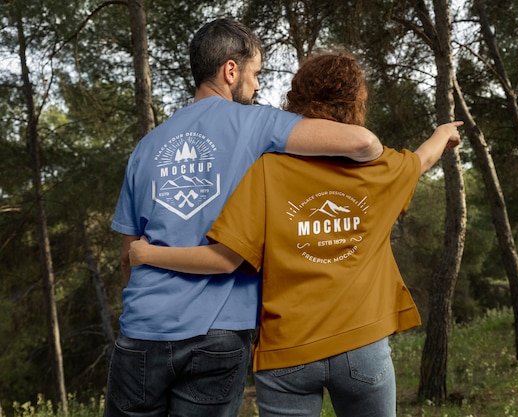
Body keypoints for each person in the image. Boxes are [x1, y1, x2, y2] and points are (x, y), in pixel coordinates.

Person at [128, 52, 462, 417]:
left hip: (285, 353)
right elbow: (423, 159)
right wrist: (443, 132)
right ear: (358, 103)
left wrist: (147, 253)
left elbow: (225, 257)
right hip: (362, 343)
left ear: (296, 100)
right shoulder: (383, 169)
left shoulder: (268, 169)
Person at [104, 19, 384, 417]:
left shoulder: (146, 146)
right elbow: (363, 142)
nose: (256, 87)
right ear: (230, 71)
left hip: (142, 330)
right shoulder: (257, 123)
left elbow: (128, 254)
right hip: (219, 333)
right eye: (254, 75)